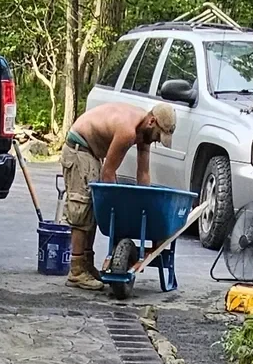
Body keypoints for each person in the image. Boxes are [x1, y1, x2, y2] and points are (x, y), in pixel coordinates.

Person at [59, 98, 177, 290]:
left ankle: (87, 265)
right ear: (152, 122)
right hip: (79, 150)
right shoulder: (127, 131)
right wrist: (115, 210)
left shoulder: (143, 131)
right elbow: (108, 173)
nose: (157, 140)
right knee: (82, 208)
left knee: (91, 210)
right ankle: (77, 271)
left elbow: (143, 173)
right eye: (158, 135)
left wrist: (146, 205)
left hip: (91, 153)